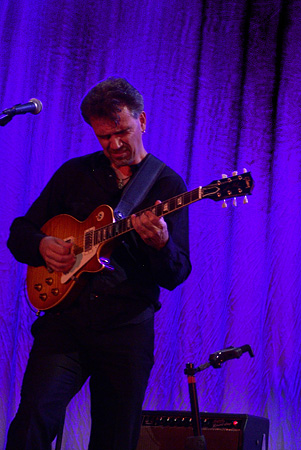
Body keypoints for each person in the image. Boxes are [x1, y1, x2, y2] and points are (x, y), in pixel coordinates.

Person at [5, 77, 192, 450]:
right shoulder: (76, 173)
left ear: (142, 121)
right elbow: (19, 232)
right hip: (65, 324)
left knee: (114, 436)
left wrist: (161, 243)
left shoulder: (167, 185)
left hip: (126, 329)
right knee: (32, 421)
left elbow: (177, 273)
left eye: (121, 132)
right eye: (104, 136)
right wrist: (43, 246)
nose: (115, 145)